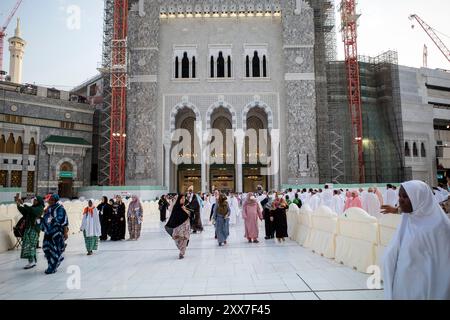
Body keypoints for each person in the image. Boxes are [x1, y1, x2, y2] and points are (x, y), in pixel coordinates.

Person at [381, 180, 450, 299]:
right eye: (400, 196)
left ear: (420, 198)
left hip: (427, 290)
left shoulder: (439, 227)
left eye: (406, 196)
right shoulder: (407, 220)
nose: (400, 200)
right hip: (403, 288)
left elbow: (442, 266)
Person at [40, 194, 67, 274]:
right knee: (46, 248)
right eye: (49, 200)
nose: (49, 201)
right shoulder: (48, 209)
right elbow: (45, 219)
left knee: (54, 249)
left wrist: (65, 233)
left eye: (51, 200)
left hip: (57, 233)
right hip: (48, 233)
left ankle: (52, 267)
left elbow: (64, 221)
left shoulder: (60, 209)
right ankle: (53, 263)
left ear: (55, 200)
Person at [15, 195, 44, 269]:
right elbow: (25, 212)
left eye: (35, 200)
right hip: (28, 229)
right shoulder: (33, 207)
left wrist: (23, 203)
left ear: (39, 201)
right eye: (33, 200)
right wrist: (18, 204)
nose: (34, 201)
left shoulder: (40, 208)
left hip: (34, 229)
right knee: (28, 245)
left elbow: (32, 211)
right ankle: (32, 261)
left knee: (31, 245)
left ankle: (31, 262)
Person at [165, 194, 191, 259]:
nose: (183, 200)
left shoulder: (186, 206)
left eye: (184, 198)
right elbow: (173, 217)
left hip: (185, 227)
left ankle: (182, 253)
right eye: (181, 199)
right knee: (178, 241)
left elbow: (191, 214)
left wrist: (184, 209)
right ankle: (181, 249)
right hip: (178, 227)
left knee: (184, 239)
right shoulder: (176, 207)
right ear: (179, 199)